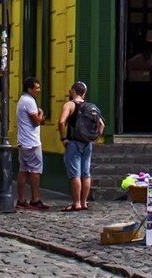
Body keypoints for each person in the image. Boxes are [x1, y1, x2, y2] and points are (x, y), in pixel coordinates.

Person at [59, 81, 103, 210]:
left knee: (75, 174)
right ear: (84, 93)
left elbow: (62, 122)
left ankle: (76, 203)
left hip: (74, 142)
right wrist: (95, 138)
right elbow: (102, 125)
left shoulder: (70, 105)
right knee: (86, 174)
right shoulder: (91, 107)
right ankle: (84, 202)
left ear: (72, 91)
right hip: (87, 143)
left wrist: (63, 138)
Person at [15, 78, 48, 209]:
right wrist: (41, 113)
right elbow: (37, 121)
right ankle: (35, 199)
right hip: (32, 142)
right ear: (29, 89)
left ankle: (21, 199)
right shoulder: (29, 101)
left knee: (23, 170)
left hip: (23, 141)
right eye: (36, 88)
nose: (38, 90)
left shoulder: (22, 100)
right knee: (35, 170)